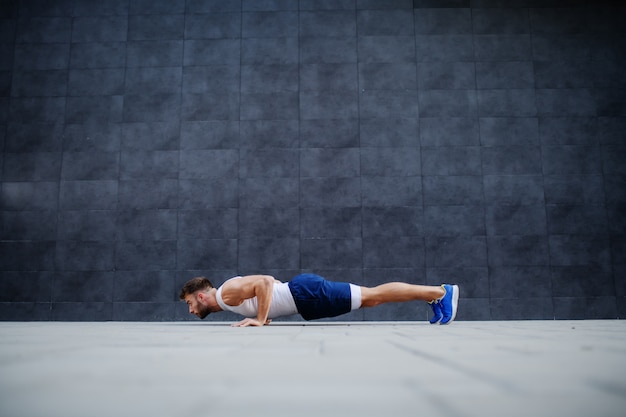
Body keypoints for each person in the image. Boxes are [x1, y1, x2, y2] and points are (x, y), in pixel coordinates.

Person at [180, 273, 459, 327]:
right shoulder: (229, 295)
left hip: (306, 295)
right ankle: (435, 296)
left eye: (190, 303)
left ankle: (440, 292)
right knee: (372, 299)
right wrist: (267, 310)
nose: (192, 310)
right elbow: (270, 286)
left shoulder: (226, 293)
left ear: (201, 295)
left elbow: (265, 281)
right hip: (304, 296)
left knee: (373, 296)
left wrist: (261, 319)